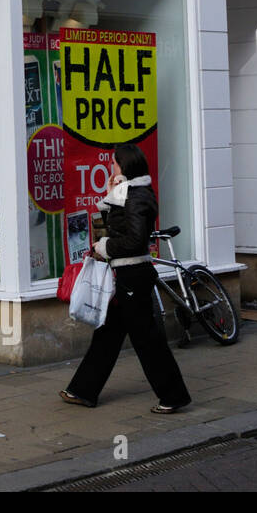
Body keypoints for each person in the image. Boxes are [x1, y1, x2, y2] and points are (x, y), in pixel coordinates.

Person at [60, 143, 192, 413]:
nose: (111, 166)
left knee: (147, 339)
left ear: (125, 165)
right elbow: (120, 227)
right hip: (125, 274)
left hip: (133, 275)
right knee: (107, 334)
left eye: (114, 163)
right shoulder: (129, 193)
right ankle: (83, 390)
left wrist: (104, 247)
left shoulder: (136, 196)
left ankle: (173, 396)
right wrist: (112, 193)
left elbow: (134, 239)